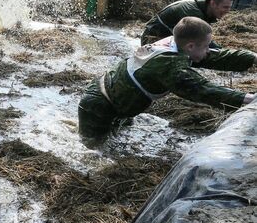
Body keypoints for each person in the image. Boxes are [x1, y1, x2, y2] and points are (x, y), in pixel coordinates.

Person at [79, 16, 257, 145]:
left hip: (113, 98)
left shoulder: (177, 43)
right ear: (190, 46)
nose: (208, 51)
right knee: (92, 150)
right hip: (98, 107)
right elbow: (202, 90)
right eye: (206, 46)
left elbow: (217, 56)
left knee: (115, 140)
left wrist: (253, 58)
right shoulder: (170, 65)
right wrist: (248, 99)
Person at [141, 0, 233, 46]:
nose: (228, 11)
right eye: (225, 7)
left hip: (166, 38)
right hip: (151, 40)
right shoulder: (194, 13)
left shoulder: (203, 9)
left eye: (229, 7)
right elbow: (201, 40)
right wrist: (223, 51)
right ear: (213, 3)